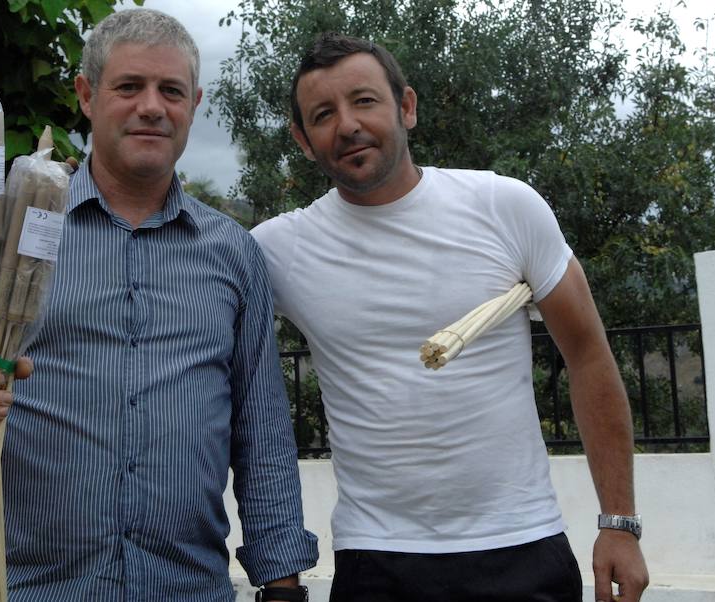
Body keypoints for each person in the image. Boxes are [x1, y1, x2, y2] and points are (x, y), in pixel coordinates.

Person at [0, 9, 317, 602]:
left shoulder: (233, 255)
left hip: (187, 591)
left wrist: (281, 586)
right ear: (88, 96)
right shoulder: (5, 234)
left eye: (170, 90)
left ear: (193, 104)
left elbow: (263, 435)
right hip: (23, 589)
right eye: (129, 86)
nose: (152, 106)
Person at [251, 32, 649, 602]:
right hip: (376, 560)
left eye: (364, 101)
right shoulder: (277, 250)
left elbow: (588, 355)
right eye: (323, 114)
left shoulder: (505, 207)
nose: (347, 125)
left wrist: (620, 522)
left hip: (523, 547)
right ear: (303, 141)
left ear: (406, 106)